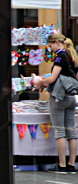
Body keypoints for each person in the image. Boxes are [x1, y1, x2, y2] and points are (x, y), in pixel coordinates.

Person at [32, 33, 78, 174]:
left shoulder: (60, 56)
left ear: (57, 42)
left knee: (60, 131)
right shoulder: (73, 57)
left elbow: (52, 78)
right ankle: (71, 165)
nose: (50, 48)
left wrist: (39, 81)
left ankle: (62, 165)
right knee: (71, 132)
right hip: (71, 97)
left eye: (50, 45)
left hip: (59, 98)